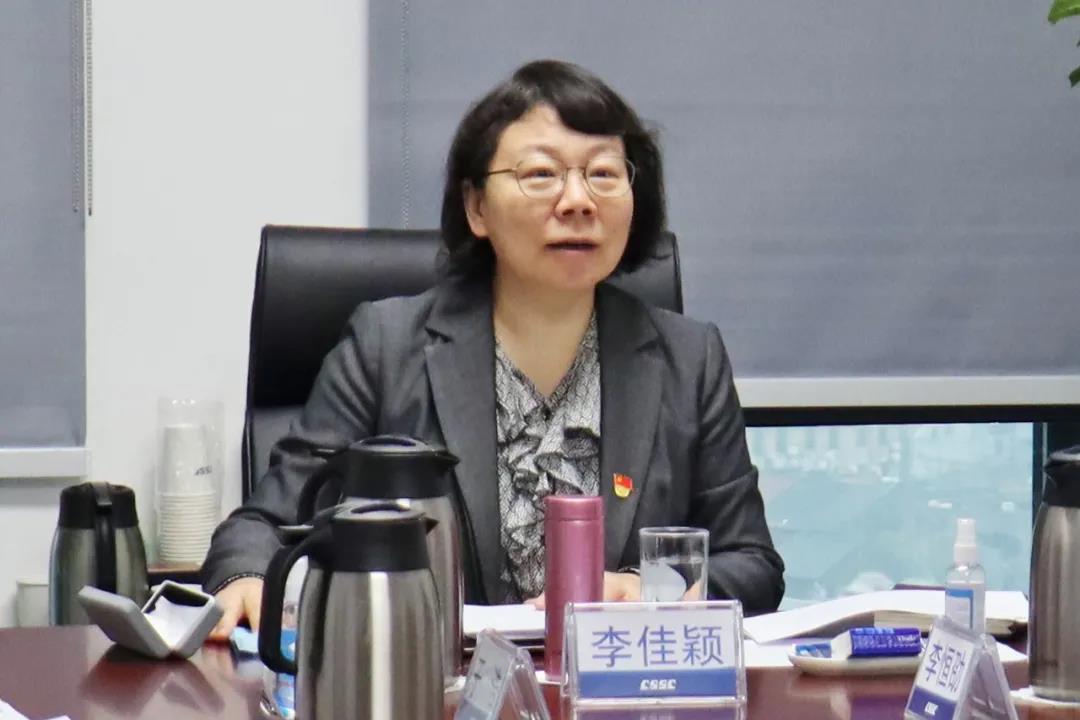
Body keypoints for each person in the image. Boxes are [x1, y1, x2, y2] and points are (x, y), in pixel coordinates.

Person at [202, 59, 784, 640]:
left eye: (604, 174)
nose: (578, 200)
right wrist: (248, 576)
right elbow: (264, 526)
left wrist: (648, 589)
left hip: (617, 678)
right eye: (541, 174)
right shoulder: (387, 346)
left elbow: (753, 565)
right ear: (477, 207)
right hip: (430, 676)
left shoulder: (690, 358)